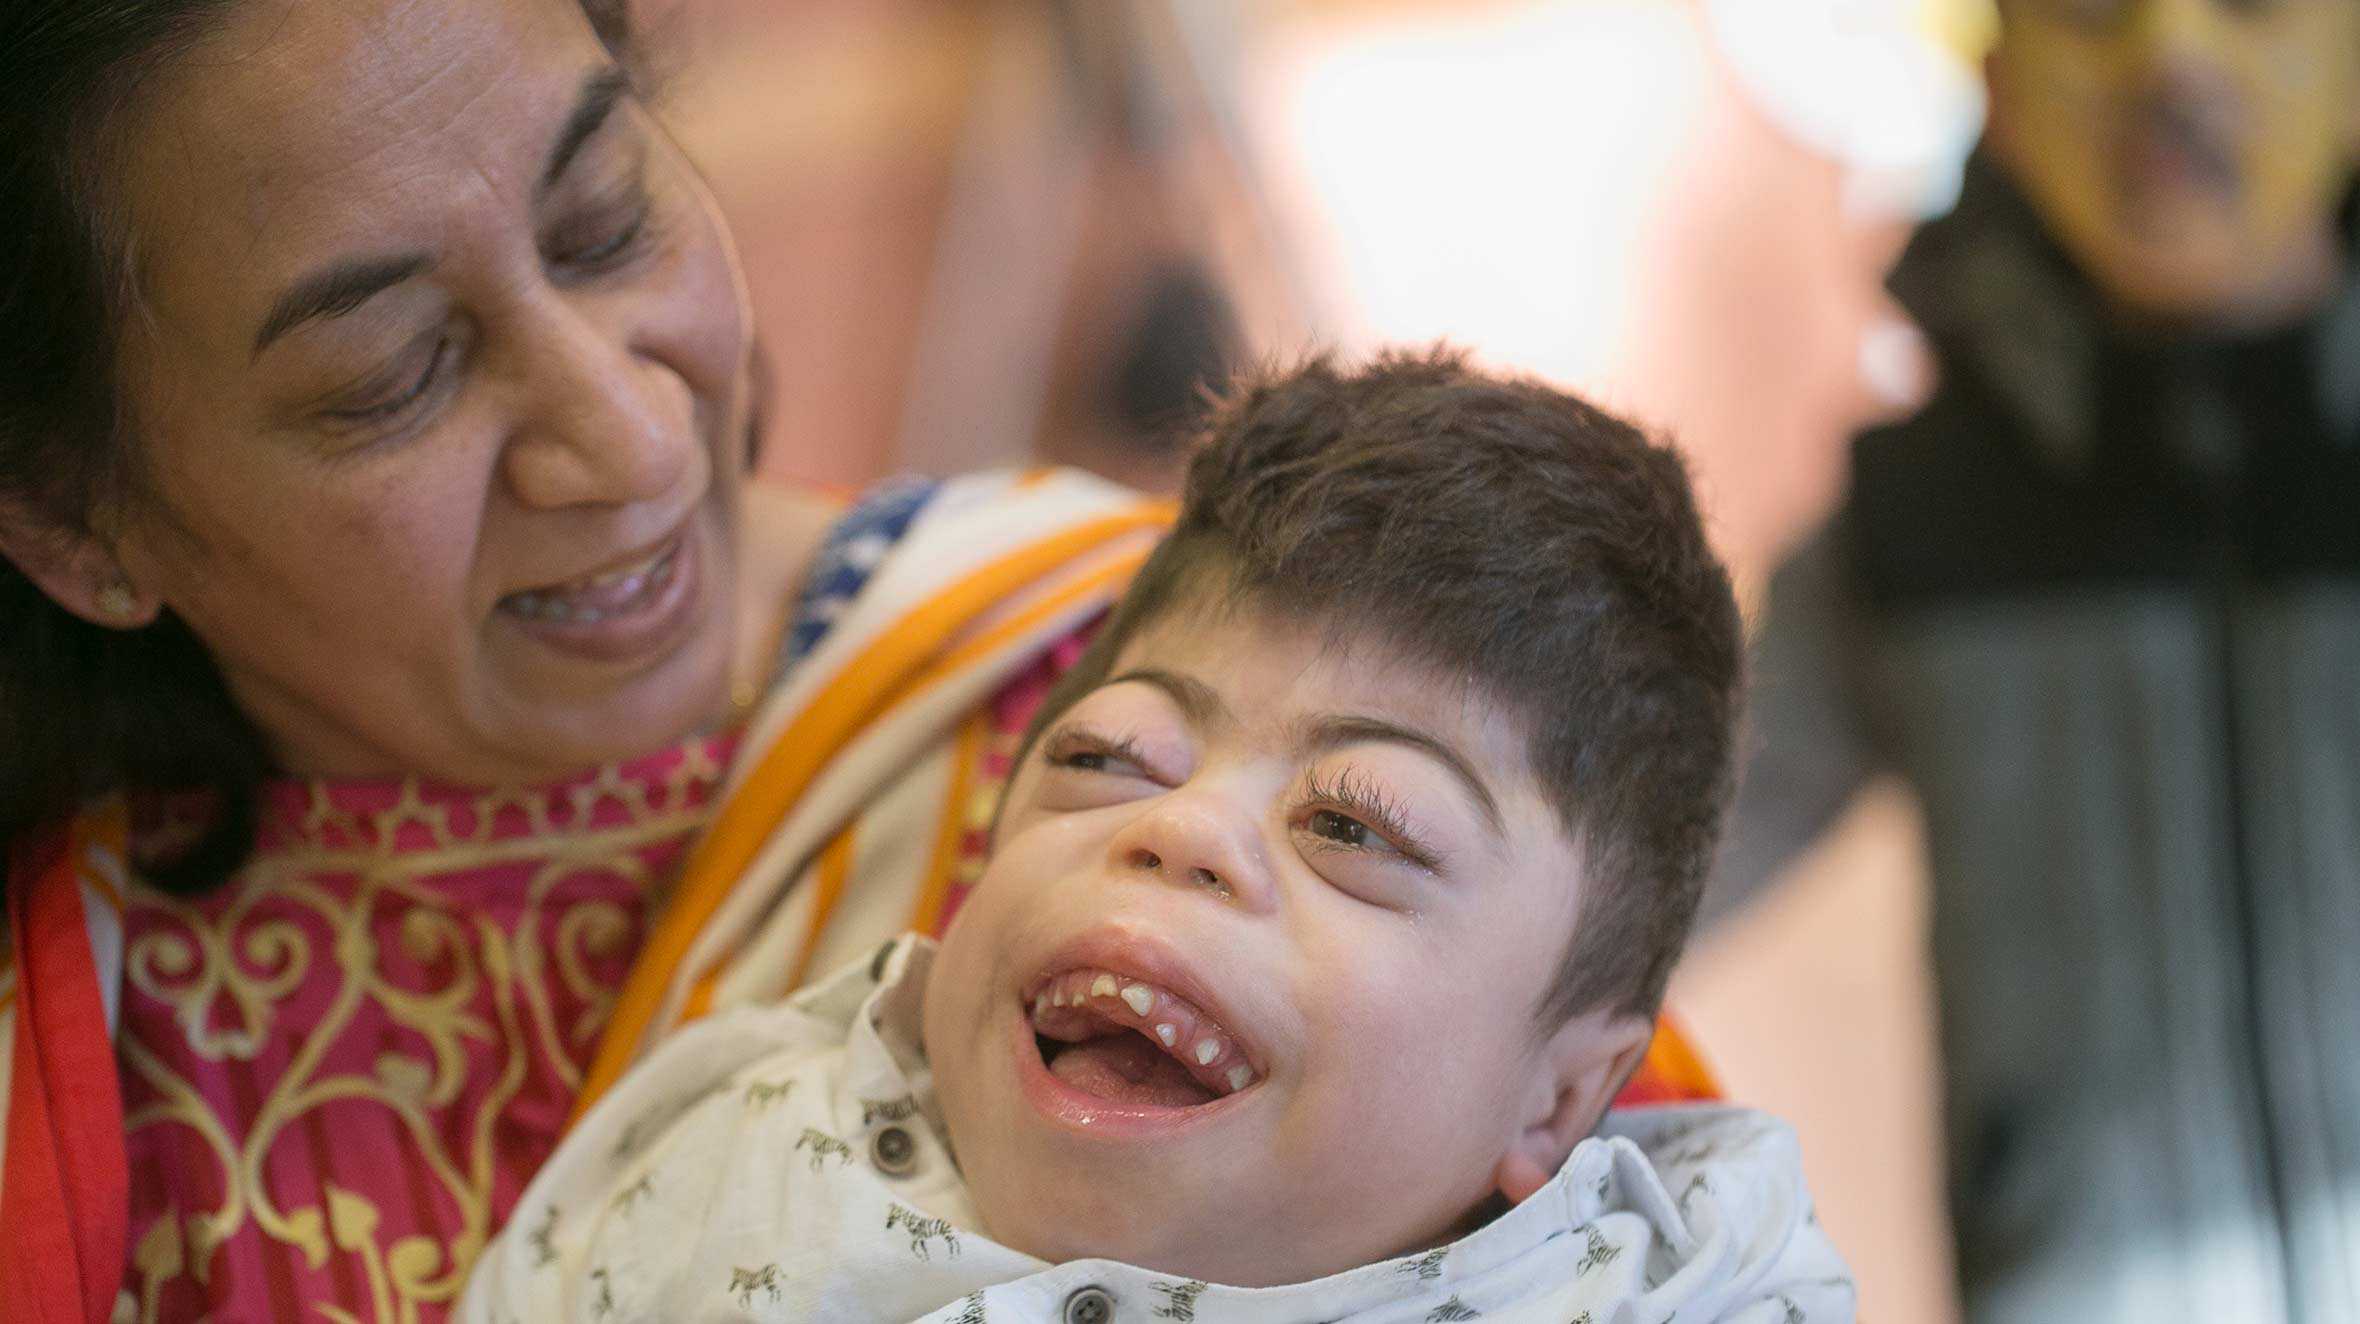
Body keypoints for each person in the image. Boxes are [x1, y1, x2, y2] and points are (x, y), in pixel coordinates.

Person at [0, 4, 1711, 1321]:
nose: (629, 431)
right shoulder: (66, 1041)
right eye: (391, 375)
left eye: (602, 219)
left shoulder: (1165, 690)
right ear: (73, 518)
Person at [459, 352, 1846, 1323]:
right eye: (1107, 759)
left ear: (1555, 1098)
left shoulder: (1666, 1293)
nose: (1182, 831)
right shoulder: (738, 1162)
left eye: (1353, 823)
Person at [1717, 0, 2360, 1319]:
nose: (2172, 62)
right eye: (2093, 13)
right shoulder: (1922, 523)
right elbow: (1635, 854)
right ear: (2001, 84)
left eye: (2251, 5)